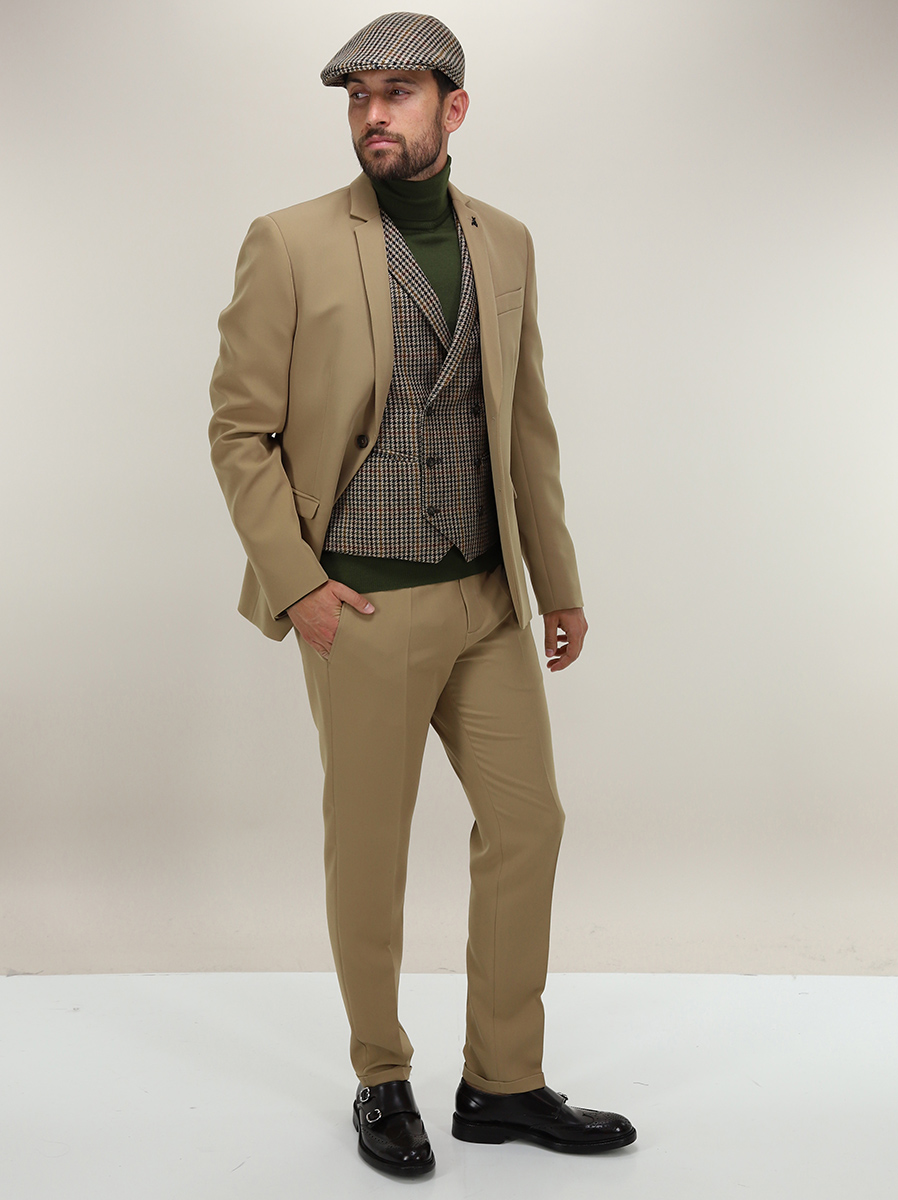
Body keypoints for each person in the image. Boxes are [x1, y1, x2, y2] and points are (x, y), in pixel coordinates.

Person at [209, 10, 636, 1178]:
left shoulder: (506, 242)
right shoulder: (289, 241)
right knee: (371, 847)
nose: (372, 115)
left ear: (454, 108)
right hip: (361, 606)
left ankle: (502, 1082)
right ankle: (380, 1075)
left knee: (529, 824)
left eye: (395, 93)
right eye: (357, 96)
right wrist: (299, 584)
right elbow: (239, 432)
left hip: (487, 596)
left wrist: (556, 579)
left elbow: (524, 423)